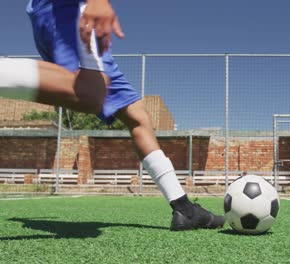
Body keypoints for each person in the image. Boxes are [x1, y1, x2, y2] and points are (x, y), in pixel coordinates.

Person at [0, 0, 224, 231]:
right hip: (66, 11)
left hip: (60, 14)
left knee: (138, 117)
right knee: (89, 92)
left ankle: (184, 209)